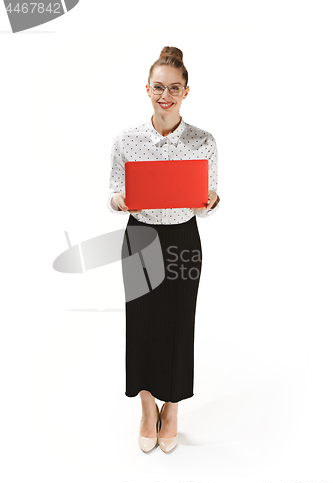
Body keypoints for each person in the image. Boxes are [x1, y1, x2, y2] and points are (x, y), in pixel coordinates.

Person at [107, 46, 220, 453]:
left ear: (187, 91)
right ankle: (146, 406)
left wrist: (211, 201)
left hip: (182, 238)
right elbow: (113, 194)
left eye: (174, 88)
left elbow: (204, 205)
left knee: (177, 323)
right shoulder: (127, 139)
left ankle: (171, 409)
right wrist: (119, 201)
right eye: (158, 87)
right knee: (140, 323)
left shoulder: (203, 140)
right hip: (139, 237)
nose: (165, 95)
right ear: (148, 89)